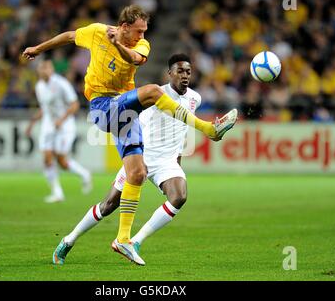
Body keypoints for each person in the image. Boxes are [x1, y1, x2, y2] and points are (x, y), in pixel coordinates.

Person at [23, 5, 237, 265]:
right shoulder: (97, 32)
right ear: (124, 27)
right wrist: (37, 48)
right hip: (102, 106)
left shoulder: (141, 46)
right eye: (138, 31)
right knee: (152, 92)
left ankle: (110, 240)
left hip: (125, 114)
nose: (142, 36)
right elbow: (69, 36)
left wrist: (118, 45)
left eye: (144, 31)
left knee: (136, 175)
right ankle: (208, 128)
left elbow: (133, 59)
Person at [52, 53, 229, 266]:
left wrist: (177, 161)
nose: (184, 76)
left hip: (167, 162)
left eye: (188, 72)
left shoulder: (195, 98)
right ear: (169, 73)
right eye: (180, 71)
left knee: (179, 196)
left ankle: (134, 241)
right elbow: (133, 119)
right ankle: (68, 240)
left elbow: (182, 130)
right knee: (108, 205)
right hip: (141, 157)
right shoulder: (155, 95)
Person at [25, 60, 92, 203]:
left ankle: (85, 174)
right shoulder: (39, 86)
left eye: (46, 68)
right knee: (47, 158)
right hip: (49, 125)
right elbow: (45, 108)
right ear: (38, 71)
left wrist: (61, 120)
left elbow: (75, 105)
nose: (44, 71)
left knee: (62, 161)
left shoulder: (61, 84)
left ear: (51, 69)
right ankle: (57, 193)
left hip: (65, 125)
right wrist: (32, 123)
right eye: (41, 68)